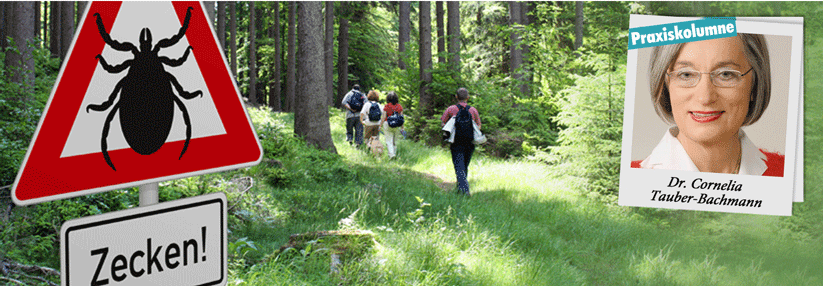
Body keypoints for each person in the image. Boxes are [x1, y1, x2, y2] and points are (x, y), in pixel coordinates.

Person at [632, 34, 783, 176]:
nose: (705, 97)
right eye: (686, 74)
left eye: (726, 74)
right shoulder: (627, 181)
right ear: (665, 85)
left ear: (754, 84)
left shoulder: (791, 175)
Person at [441, 87, 481, 196]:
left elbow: (443, 123)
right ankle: (461, 189)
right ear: (467, 98)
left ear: (456, 97)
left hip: (456, 141)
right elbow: (478, 125)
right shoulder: (473, 110)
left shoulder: (451, 109)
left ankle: (464, 190)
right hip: (470, 142)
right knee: (464, 165)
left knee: (459, 166)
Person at [379, 91, 404, 159]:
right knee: (394, 141)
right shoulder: (399, 106)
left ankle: (392, 155)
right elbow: (401, 118)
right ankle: (394, 153)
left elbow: (384, 117)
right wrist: (402, 127)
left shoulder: (387, 106)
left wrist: (380, 125)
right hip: (397, 125)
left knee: (389, 140)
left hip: (387, 124)